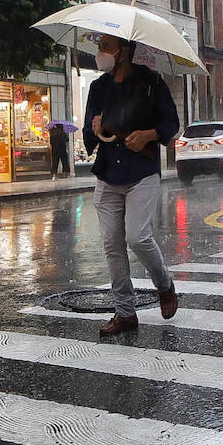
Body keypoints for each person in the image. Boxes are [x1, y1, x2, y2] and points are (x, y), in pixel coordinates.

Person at [83, 34, 180, 337]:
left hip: (142, 173)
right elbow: (89, 133)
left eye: (106, 47)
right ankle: (125, 313)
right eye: (99, 47)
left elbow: (171, 124)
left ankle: (164, 285)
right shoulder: (98, 87)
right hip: (108, 173)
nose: (100, 52)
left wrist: (149, 134)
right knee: (113, 245)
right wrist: (95, 129)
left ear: (124, 51)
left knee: (137, 238)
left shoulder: (152, 82)